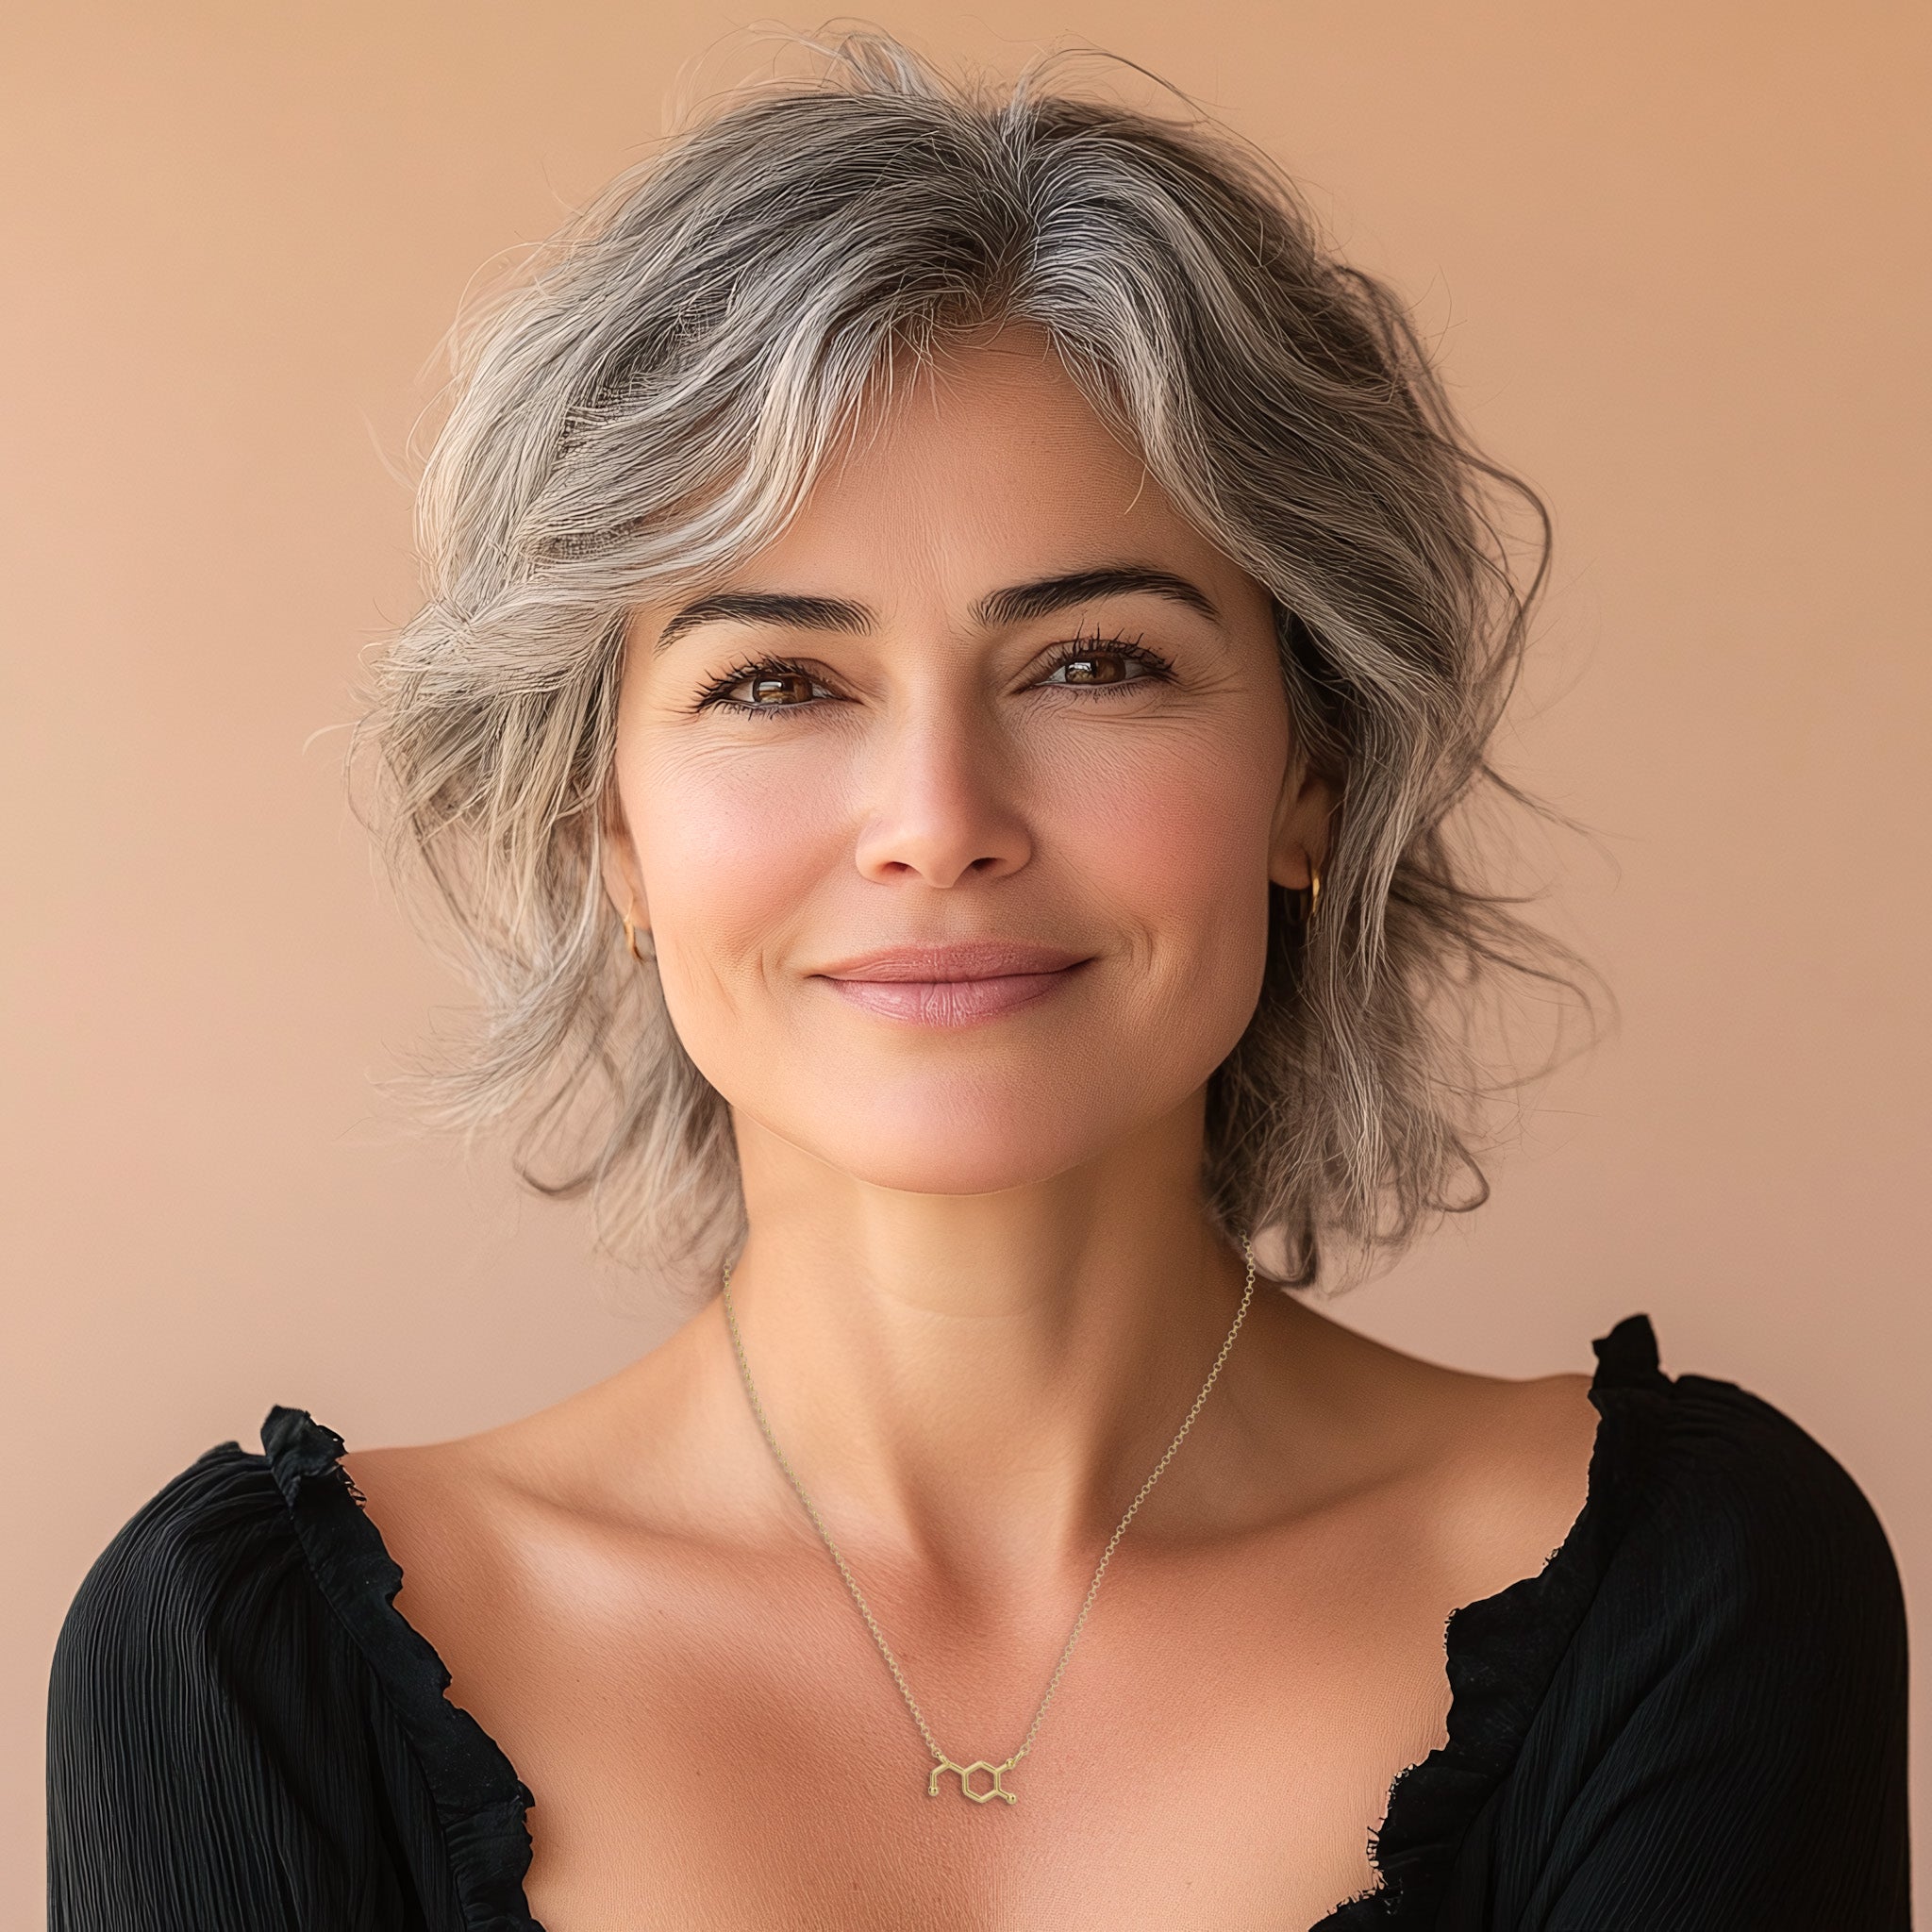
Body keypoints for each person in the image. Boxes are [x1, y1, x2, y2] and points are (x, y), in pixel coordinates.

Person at [45, 32, 1909, 1932]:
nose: (937, 823)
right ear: (603, 825)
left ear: (1313, 770)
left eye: (1094, 663)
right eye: (777, 680)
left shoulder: (1698, 1596)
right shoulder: (239, 1667)